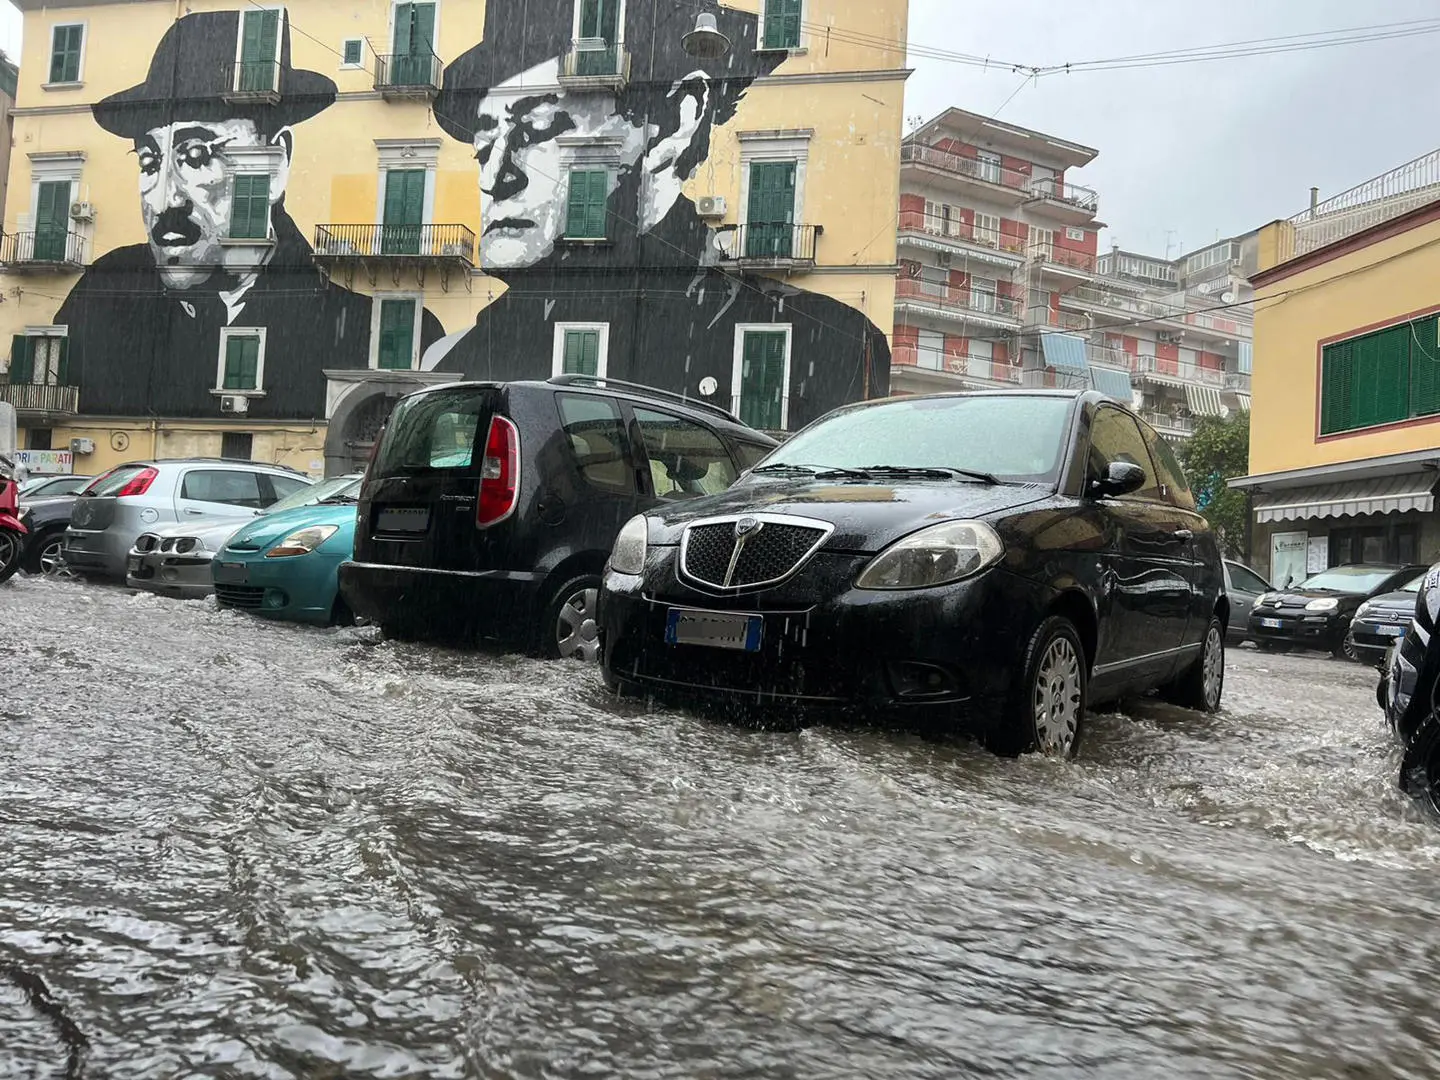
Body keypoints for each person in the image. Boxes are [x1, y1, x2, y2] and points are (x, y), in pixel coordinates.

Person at [422, 1, 889, 430]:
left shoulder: (840, 342)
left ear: (682, 123)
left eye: (537, 129)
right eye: (484, 143)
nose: (494, 177)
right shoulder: (456, 354)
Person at [52, 11, 442, 420]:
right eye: (150, 162)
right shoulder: (98, 296)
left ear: (276, 166)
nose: (165, 200)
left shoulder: (358, 324)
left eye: (196, 155)